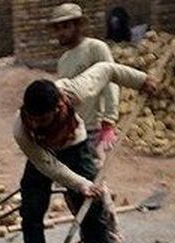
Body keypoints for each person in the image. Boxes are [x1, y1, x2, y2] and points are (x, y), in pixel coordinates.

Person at [13, 63, 158, 243]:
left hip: (74, 147)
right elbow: (47, 165)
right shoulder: (21, 128)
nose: (37, 123)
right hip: (42, 155)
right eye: (33, 118)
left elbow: (107, 69)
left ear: (58, 106)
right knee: (31, 210)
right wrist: (80, 183)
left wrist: (140, 80)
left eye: (43, 119)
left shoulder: (74, 91)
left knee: (92, 209)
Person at [51, 3, 120, 155]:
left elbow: (111, 81)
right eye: (57, 28)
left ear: (79, 25)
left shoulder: (95, 48)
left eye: (65, 26)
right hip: (72, 131)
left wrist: (109, 122)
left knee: (91, 176)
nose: (61, 32)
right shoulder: (63, 60)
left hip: (93, 129)